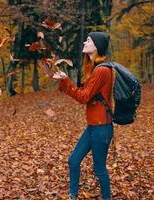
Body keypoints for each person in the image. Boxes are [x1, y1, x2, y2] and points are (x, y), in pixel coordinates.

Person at [52, 32, 114, 200]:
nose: (85, 42)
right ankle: (73, 196)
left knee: (99, 169)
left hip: (102, 127)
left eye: (89, 40)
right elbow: (84, 93)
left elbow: (83, 97)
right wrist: (64, 80)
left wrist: (66, 81)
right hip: (94, 126)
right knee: (73, 160)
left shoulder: (102, 70)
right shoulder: (94, 68)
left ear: (97, 46)